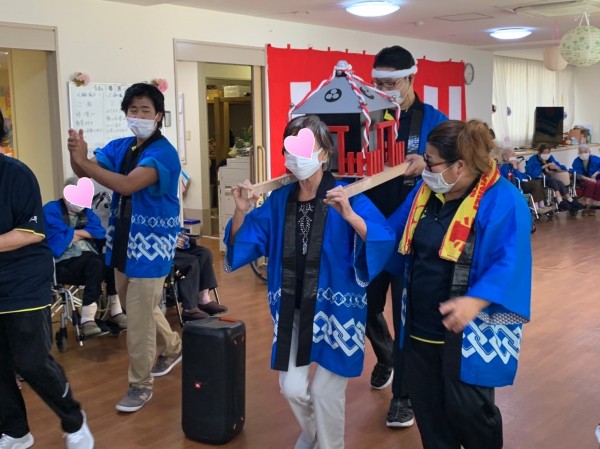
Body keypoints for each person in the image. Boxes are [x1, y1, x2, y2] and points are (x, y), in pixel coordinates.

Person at [226, 115, 395, 449]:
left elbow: (383, 238)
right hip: (293, 306)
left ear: (324, 153)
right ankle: (314, 434)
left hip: (337, 309)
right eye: (290, 148)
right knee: (291, 387)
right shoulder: (278, 200)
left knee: (324, 391)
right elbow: (245, 242)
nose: (295, 157)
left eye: (305, 147)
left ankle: (330, 445)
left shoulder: (347, 195)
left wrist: (350, 216)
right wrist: (241, 211)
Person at [387, 119, 532, 449]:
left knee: (472, 414)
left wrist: (475, 300)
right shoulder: (425, 194)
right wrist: (353, 216)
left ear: (460, 166)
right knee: (430, 416)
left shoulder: (503, 200)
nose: (425, 169)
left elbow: (510, 261)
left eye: (431, 162)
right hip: (420, 327)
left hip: (470, 331)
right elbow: (391, 234)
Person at [67, 82, 182, 413]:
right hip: (122, 241)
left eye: (146, 110)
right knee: (139, 308)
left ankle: (140, 385)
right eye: (133, 110)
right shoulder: (121, 146)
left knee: (140, 320)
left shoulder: (164, 153)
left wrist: (84, 161)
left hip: (152, 246)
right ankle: (173, 346)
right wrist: (77, 155)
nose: (139, 116)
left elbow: (127, 184)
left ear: (158, 116)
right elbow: (85, 172)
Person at [0, 110, 94, 448]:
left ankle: (74, 420)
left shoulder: (16, 175)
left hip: (23, 282)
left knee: (31, 362)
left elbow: (30, 233)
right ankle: (16, 431)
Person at [367, 44, 448, 428]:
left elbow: (457, 172)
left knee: (405, 319)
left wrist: (427, 165)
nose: (384, 90)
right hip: (368, 231)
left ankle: (404, 396)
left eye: (391, 84)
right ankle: (386, 357)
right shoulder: (367, 117)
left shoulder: (434, 121)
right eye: (378, 84)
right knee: (364, 308)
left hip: (411, 235)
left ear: (411, 78)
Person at [43, 177, 127, 337]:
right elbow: (55, 238)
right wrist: (83, 233)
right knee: (95, 263)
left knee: (110, 261)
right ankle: (87, 319)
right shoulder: (51, 209)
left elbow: (98, 231)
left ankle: (116, 311)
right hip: (63, 262)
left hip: (88, 258)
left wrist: (73, 233)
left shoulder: (87, 212)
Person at [173, 231, 227, 320]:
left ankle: (203, 300)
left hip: (176, 245)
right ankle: (189, 309)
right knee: (191, 262)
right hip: (162, 250)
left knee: (205, 253)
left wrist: (183, 237)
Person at [525, 143, 582, 212]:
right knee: (553, 181)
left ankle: (570, 200)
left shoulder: (550, 158)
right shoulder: (533, 159)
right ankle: (560, 201)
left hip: (549, 178)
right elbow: (531, 174)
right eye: (545, 152)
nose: (547, 154)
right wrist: (543, 167)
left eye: (548, 152)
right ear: (539, 153)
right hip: (539, 179)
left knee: (560, 182)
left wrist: (556, 167)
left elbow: (562, 167)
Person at [499, 148, 553, 214]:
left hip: (522, 183)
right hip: (516, 185)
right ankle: (536, 207)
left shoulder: (513, 165)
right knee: (535, 184)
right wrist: (515, 169)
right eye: (512, 155)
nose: (514, 157)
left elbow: (523, 176)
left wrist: (519, 169)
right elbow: (514, 178)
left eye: (514, 155)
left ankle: (542, 205)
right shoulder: (504, 167)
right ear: (505, 157)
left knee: (538, 182)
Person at [571, 144, 600, 216]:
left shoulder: (595, 159)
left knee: (598, 184)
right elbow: (578, 174)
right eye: (581, 152)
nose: (583, 153)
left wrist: (595, 174)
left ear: (589, 152)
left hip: (596, 178)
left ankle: (593, 206)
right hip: (583, 179)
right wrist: (589, 179)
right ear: (578, 153)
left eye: (585, 151)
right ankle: (587, 206)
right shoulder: (576, 161)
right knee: (591, 184)